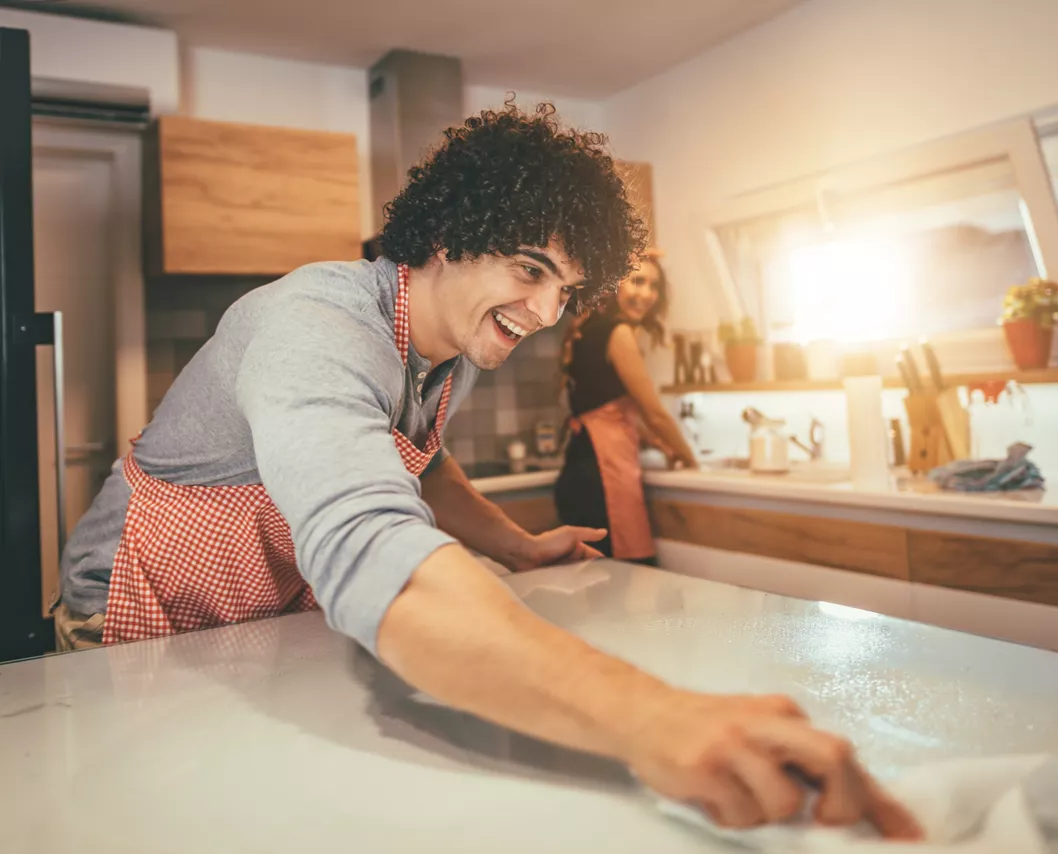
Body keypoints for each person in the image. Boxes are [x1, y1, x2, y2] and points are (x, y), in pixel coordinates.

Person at [55, 104, 920, 837]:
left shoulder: (451, 346)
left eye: (566, 291)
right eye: (531, 269)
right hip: (132, 622)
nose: (545, 313)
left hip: (256, 620)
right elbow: (369, 547)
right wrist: (658, 718)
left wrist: (517, 547)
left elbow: (420, 469)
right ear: (446, 234)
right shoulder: (313, 324)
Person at [555, 252, 697, 564]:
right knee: (629, 586)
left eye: (653, 285)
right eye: (637, 281)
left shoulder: (591, 327)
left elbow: (607, 408)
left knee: (602, 594)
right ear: (615, 284)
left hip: (581, 469)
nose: (646, 294)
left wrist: (656, 444)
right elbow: (655, 413)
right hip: (602, 476)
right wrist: (692, 461)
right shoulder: (617, 333)